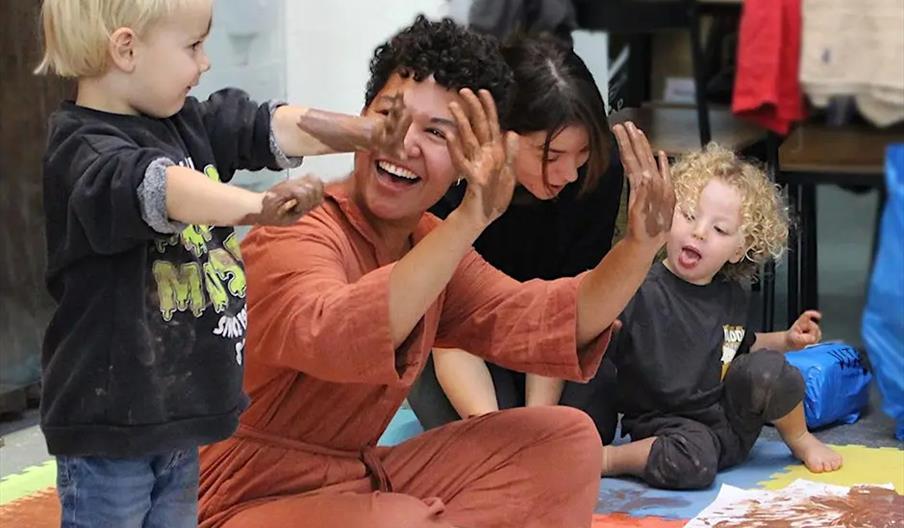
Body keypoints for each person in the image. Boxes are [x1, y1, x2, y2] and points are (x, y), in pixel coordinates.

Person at [197, 16, 674, 528]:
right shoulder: (297, 228)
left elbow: (545, 319)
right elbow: (339, 332)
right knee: (401, 519)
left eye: (436, 134)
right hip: (237, 496)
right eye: (388, 117)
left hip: (359, 476)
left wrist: (639, 247)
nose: (404, 144)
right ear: (361, 118)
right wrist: (471, 218)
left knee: (567, 440)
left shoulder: (428, 237)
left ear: (470, 156)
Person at [35, 0, 411, 525]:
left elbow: (270, 126)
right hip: (109, 425)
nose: (205, 62)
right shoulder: (82, 151)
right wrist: (257, 207)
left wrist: (364, 132)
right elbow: (162, 187)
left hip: (181, 416)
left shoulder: (187, 122)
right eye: (192, 47)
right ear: (126, 49)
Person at [407, 33, 623, 443]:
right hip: (461, 342)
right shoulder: (449, 178)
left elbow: (566, 304)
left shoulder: (600, 169)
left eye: (581, 155)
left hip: (551, 337)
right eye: (551, 156)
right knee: (473, 434)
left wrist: (534, 430)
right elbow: (445, 330)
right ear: (501, 133)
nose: (570, 174)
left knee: (578, 428)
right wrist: (501, 432)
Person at [598, 144, 844, 490]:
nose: (699, 232)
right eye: (688, 215)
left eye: (720, 230)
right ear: (668, 214)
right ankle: (610, 458)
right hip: (669, 428)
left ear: (738, 250)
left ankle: (801, 439)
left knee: (771, 368)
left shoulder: (730, 294)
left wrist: (786, 340)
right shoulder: (638, 289)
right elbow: (591, 343)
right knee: (692, 461)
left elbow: (742, 344)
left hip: (729, 422)